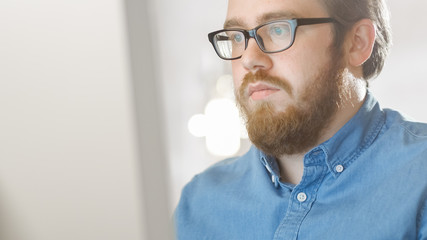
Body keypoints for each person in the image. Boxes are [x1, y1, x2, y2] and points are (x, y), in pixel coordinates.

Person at [175, 0, 427, 239]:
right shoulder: (199, 204)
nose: (249, 59)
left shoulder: (419, 177)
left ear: (357, 42)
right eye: (237, 37)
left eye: (278, 29)